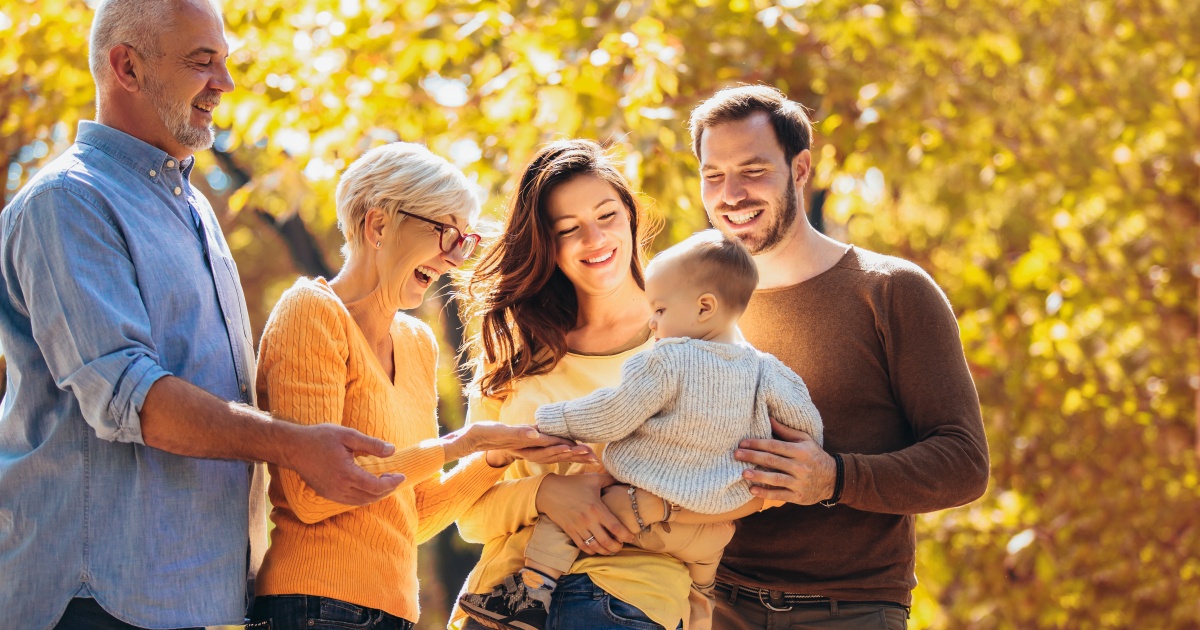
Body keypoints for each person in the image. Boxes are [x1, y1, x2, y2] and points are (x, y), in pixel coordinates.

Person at [0, 1, 407, 628]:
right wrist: (295, 446)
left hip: (195, 595)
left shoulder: (192, 207)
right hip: (96, 597)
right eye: (201, 62)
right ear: (126, 67)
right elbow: (127, 395)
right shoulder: (68, 202)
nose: (225, 82)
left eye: (224, 61)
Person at [685, 85, 990, 629]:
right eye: (714, 175)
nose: (730, 195)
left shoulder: (892, 291)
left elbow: (964, 462)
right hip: (713, 603)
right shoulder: (688, 305)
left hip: (850, 610)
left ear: (800, 169)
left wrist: (835, 479)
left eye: (753, 170)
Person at [246, 141, 584, 630]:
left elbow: (417, 514)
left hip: (395, 612)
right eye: (447, 233)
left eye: (465, 243)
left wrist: (494, 457)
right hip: (311, 605)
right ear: (379, 224)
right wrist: (460, 443)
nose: (453, 259)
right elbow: (312, 495)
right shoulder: (312, 313)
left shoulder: (417, 343)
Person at [457, 229, 824, 630]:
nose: (653, 321)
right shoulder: (766, 370)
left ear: (704, 307)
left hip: (627, 509)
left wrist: (552, 420)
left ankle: (531, 589)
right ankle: (698, 613)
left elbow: (613, 414)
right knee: (701, 578)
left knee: (567, 518)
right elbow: (806, 430)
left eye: (661, 310)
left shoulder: (667, 360)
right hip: (707, 525)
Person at [450, 139, 725, 630]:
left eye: (607, 216)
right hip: (498, 603)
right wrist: (545, 494)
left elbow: (727, 488)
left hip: (623, 602)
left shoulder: (693, 340)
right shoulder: (516, 354)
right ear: (548, 247)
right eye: (568, 229)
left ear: (631, 217)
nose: (594, 239)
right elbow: (469, 517)